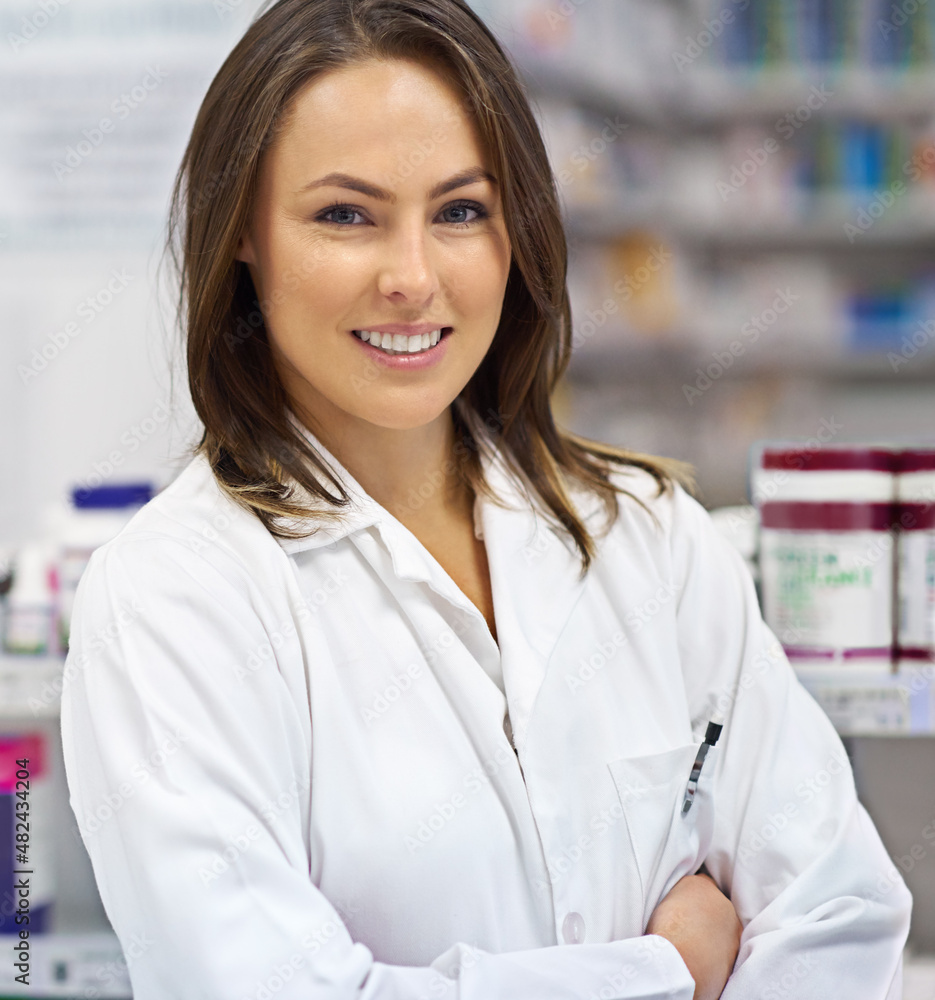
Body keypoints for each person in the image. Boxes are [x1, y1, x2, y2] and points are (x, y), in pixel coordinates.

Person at [59, 1, 912, 998]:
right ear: (241, 232)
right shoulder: (172, 600)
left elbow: (837, 913)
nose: (412, 279)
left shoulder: (649, 537)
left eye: (460, 210)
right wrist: (665, 969)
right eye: (345, 215)